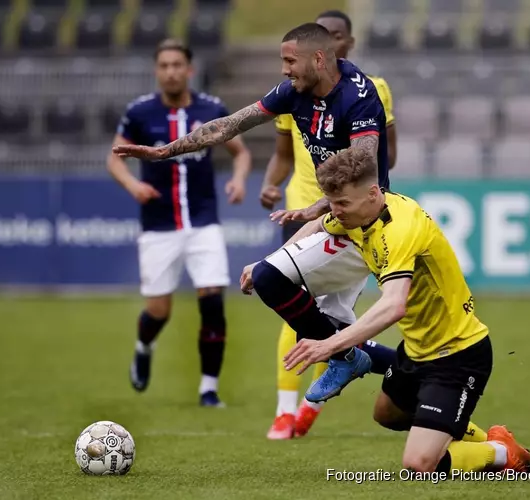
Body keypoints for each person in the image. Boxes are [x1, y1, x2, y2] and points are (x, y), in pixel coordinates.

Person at [114, 22, 397, 407]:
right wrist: (167, 152)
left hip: (368, 223)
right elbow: (229, 126)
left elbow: (363, 163)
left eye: (289, 61)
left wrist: (320, 205)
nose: (284, 70)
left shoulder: (359, 95)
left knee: (293, 302)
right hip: (335, 220)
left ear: (318, 58)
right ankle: (391, 366)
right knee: (307, 315)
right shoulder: (293, 91)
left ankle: (352, 359)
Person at [270, 149, 530, 474]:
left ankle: (502, 454)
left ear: (373, 193)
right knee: (387, 415)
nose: (335, 211)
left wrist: (330, 345)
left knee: (419, 463)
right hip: (415, 351)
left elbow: (394, 305)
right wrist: (271, 265)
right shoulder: (358, 213)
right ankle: (488, 438)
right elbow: (319, 225)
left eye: (342, 203)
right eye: (332, 202)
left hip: (456, 354)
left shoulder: (400, 228)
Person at [259, 10, 399, 440]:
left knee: (324, 315)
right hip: (301, 211)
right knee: (295, 308)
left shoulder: (369, 93)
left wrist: (348, 195)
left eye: (338, 37)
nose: (332, 45)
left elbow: (380, 156)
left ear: (343, 46)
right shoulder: (293, 92)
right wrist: (270, 183)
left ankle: (327, 388)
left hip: (344, 212)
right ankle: (287, 410)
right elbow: (283, 149)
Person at [107, 39, 252, 408]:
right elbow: (115, 159)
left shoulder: (211, 108)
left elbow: (241, 152)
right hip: (159, 226)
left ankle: (208, 388)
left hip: (205, 223)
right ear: (158, 71)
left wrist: (238, 178)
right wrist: (133, 184)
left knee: (213, 302)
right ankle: (144, 345)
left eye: (177, 65)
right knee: (159, 311)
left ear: (189, 70)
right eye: (164, 65)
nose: (170, 71)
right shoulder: (139, 113)